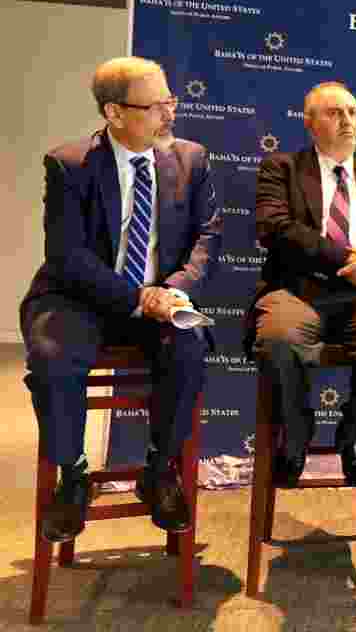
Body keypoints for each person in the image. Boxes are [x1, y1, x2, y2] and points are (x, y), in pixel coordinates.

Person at [21, 56, 222, 542]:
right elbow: (68, 256)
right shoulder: (70, 165)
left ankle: (159, 468)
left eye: (170, 101)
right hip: (78, 299)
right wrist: (138, 296)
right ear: (114, 113)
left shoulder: (191, 159)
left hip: (161, 298)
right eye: (156, 106)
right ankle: (73, 476)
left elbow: (207, 235)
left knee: (190, 347)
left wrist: (173, 291)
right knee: (52, 360)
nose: (169, 114)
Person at [247, 81, 356, 488]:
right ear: (309, 123)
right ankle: (296, 435)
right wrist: (348, 260)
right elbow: (276, 229)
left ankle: (354, 437)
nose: (347, 122)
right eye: (334, 113)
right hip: (298, 288)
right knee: (278, 339)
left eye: (353, 113)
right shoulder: (281, 169)